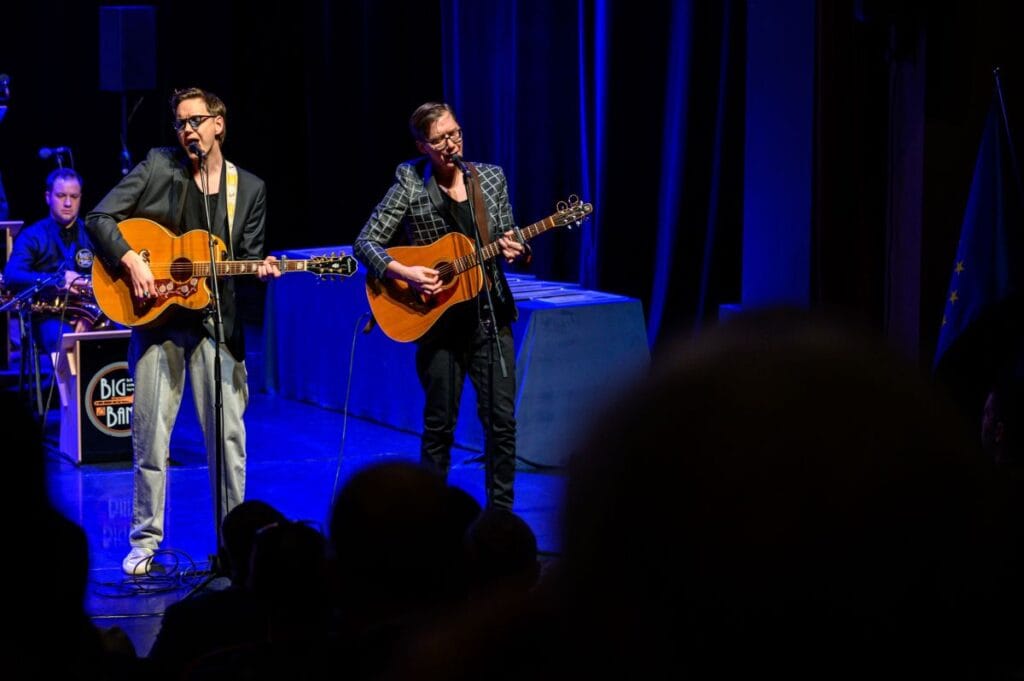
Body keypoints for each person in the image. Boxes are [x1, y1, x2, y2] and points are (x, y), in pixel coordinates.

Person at [85, 86, 281, 576]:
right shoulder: (159, 166)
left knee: (228, 442)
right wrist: (131, 261)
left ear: (219, 124)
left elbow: (245, 259)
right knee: (151, 440)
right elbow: (99, 216)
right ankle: (144, 544)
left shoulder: (248, 188)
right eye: (180, 123)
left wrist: (259, 270)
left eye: (196, 120)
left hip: (215, 326)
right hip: (158, 323)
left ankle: (234, 545)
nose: (187, 130)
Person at [353, 102, 526, 510]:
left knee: (502, 425)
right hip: (438, 324)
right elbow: (365, 243)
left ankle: (500, 518)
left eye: (455, 133)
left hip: (488, 317)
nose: (452, 144)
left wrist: (516, 246)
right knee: (439, 427)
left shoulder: (490, 179)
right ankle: (429, 518)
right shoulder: (410, 184)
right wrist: (406, 273)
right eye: (441, 139)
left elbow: (506, 233)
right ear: (423, 146)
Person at [3, 168, 95, 376]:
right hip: (48, 317)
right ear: (48, 197)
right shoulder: (32, 235)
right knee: (63, 339)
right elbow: (11, 276)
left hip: (91, 315)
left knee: (126, 332)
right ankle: (72, 396)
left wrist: (91, 316)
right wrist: (58, 281)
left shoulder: (92, 233)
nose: (68, 203)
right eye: (61, 196)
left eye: (74, 197)